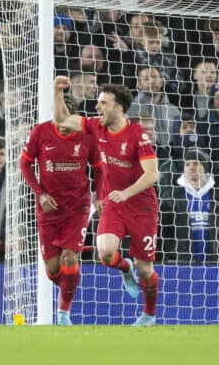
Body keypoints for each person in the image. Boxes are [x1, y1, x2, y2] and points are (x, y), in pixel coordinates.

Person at [52, 76, 160, 326]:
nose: (97, 108)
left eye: (103, 103)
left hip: (142, 206)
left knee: (146, 269)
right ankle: (125, 269)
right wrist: (58, 92)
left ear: (118, 108)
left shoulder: (137, 135)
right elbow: (62, 120)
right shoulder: (96, 127)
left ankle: (149, 315)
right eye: (98, 103)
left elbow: (152, 174)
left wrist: (127, 193)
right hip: (114, 204)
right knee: (106, 253)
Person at [20, 96, 101, 325]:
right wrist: (40, 193)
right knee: (53, 269)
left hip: (78, 206)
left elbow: (98, 168)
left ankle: (64, 314)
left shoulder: (87, 135)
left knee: (69, 257)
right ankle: (70, 283)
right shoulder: (40, 132)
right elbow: (24, 164)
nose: (63, 127)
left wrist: (101, 196)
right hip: (49, 208)